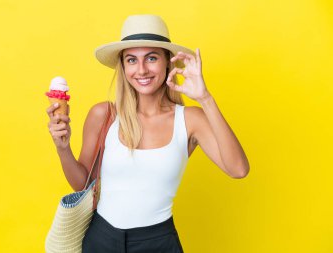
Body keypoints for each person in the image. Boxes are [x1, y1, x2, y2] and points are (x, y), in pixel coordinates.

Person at [46, 14, 250, 253]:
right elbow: (83, 185)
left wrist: (205, 98)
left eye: (151, 58)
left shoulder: (190, 119)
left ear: (167, 62)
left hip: (158, 242)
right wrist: (63, 148)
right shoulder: (105, 115)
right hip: (101, 239)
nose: (141, 70)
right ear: (123, 66)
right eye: (131, 60)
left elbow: (238, 169)